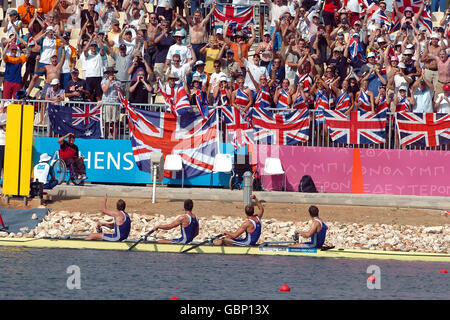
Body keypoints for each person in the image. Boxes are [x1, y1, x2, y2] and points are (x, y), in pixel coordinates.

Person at [101, 66, 122, 139]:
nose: (111, 74)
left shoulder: (118, 81)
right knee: (106, 122)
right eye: (110, 73)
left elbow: (122, 93)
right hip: (107, 103)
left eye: (112, 72)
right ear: (107, 74)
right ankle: (106, 139)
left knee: (115, 122)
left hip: (115, 103)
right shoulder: (104, 81)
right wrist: (109, 82)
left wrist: (119, 88)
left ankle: (114, 139)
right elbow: (104, 90)